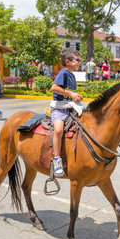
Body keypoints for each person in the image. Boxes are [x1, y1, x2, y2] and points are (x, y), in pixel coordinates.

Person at [50, 48, 83, 177]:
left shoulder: (72, 75)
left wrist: (76, 96)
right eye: (77, 60)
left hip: (70, 107)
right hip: (59, 108)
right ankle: (57, 159)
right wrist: (70, 93)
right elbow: (54, 88)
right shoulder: (63, 73)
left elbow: (70, 94)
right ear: (68, 62)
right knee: (58, 130)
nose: (79, 62)